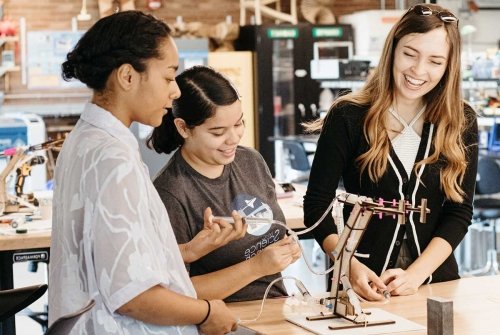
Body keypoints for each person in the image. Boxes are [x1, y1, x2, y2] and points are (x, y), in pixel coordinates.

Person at [48, 11, 239, 335]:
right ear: (127, 77)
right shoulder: (112, 159)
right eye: (167, 77)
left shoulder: (85, 139)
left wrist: (187, 251)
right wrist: (207, 312)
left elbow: (110, 257)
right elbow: (132, 296)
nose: (176, 91)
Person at [303, 4, 478, 301]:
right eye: (410, 54)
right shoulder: (348, 116)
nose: (419, 71)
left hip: (434, 285)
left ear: (449, 65)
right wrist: (348, 265)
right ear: (393, 48)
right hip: (360, 286)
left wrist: (416, 274)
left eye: (435, 61)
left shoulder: (462, 121)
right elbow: (316, 207)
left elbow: (459, 212)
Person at [148, 65, 301, 302]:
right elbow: (175, 292)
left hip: (277, 308)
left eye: (239, 124)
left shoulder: (250, 160)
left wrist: (286, 249)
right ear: (183, 128)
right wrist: (256, 267)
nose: (234, 138)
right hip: (224, 320)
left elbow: (274, 233)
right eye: (218, 132)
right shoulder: (170, 192)